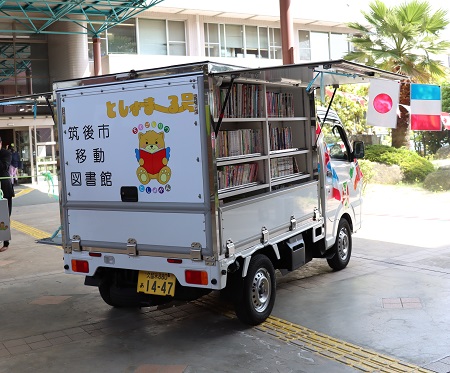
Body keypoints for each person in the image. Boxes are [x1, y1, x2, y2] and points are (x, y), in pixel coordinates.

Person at [0, 138, 14, 252]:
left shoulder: (6, 153)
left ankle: (5, 242)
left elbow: (4, 167)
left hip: (4, 189)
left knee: (5, 215)